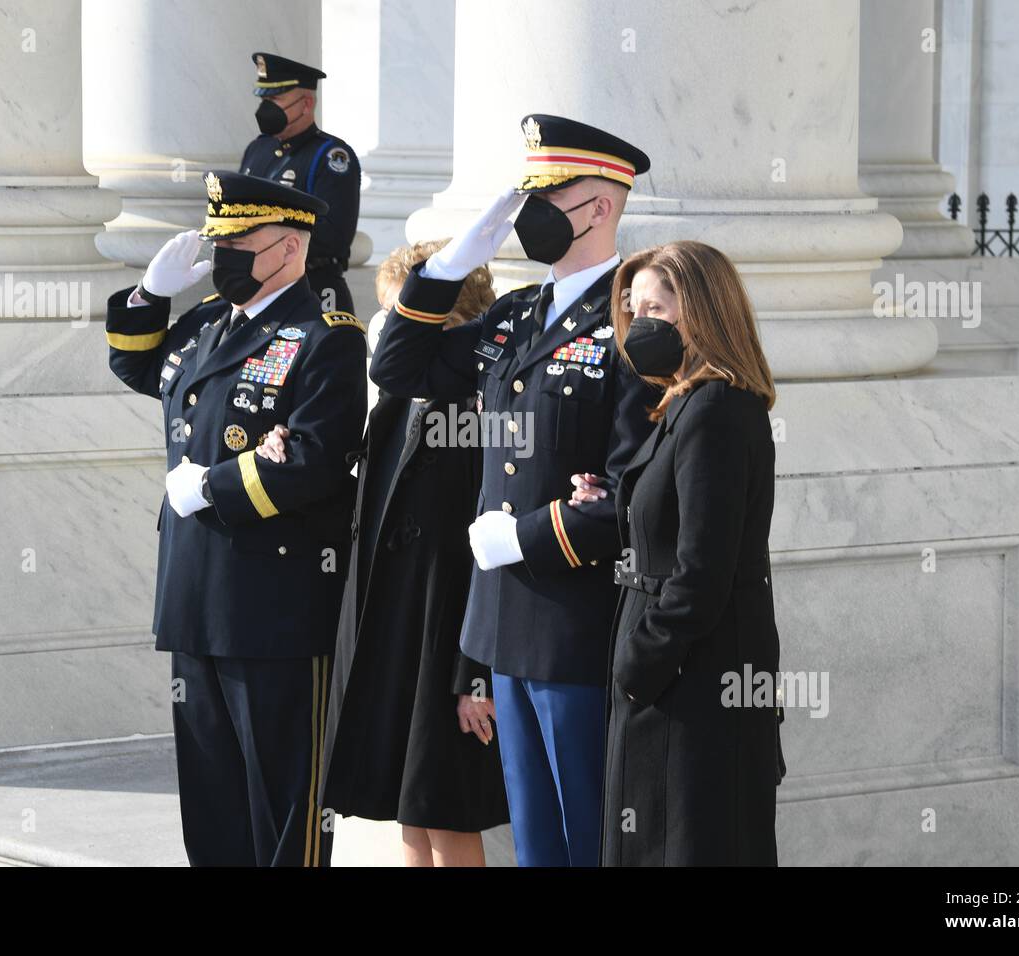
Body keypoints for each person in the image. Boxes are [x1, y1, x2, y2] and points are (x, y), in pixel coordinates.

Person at [369, 115, 657, 866]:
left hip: (576, 621)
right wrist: (460, 256)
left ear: (598, 207)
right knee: (534, 843)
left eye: (548, 195)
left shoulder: (634, 323)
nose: (530, 214)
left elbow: (636, 494)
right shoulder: (514, 318)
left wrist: (526, 538)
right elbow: (399, 367)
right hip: (501, 623)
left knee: (586, 836)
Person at [104, 170, 367, 866]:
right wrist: (149, 296)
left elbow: (314, 457)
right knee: (212, 794)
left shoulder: (325, 336)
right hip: (194, 590)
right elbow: (135, 367)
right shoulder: (204, 325)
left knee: (285, 802)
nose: (221, 257)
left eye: (235, 242)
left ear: (286, 247)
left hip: (273, 602)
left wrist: (216, 487)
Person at [260, 240, 509, 867]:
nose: (390, 327)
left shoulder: (484, 407)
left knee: (447, 809)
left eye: (404, 313)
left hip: (446, 634)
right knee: (407, 808)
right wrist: (284, 448)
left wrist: (472, 675)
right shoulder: (396, 400)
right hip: (388, 628)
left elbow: (484, 552)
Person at [570, 240, 784, 866]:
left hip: (692, 674)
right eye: (634, 312)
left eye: (657, 310)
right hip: (676, 667)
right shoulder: (685, 401)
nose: (641, 326)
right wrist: (619, 500)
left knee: (685, 844)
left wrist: (640, 663)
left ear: (704, 313)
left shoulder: (716, 407)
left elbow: (703, 570)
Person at [240, 52, 360, 316]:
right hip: (257, 287)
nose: (266, 108)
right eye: (264, 99)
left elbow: (333, 237)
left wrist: (262, 233)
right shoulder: (257, 150)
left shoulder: (331, 157)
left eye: (275, 99)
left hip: (312, 287)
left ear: (306, 104)